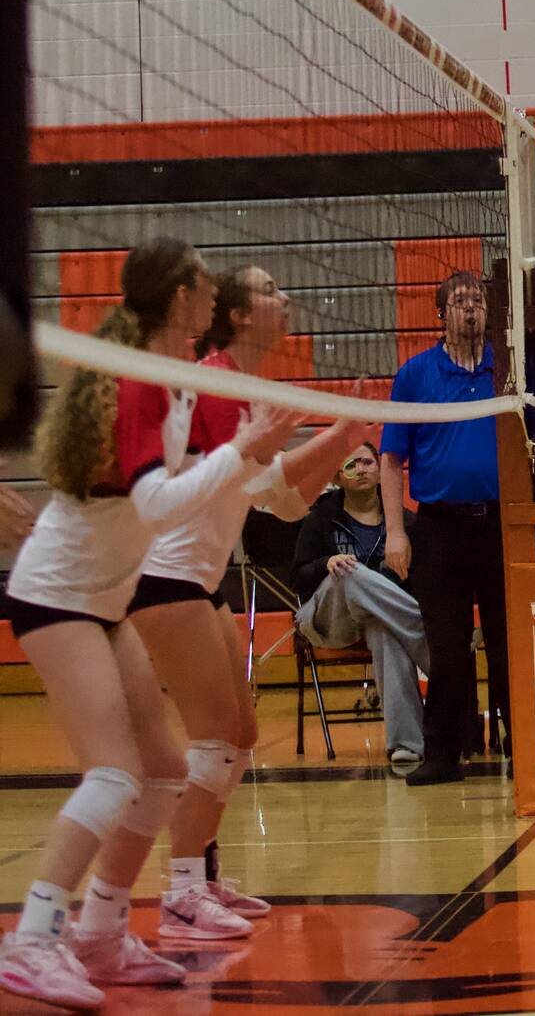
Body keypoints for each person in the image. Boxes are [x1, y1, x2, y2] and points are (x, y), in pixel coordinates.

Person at [0, 239, 301, 1007]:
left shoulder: (175, 386)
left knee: (165, 772)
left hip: (106, 596)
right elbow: (156, 506)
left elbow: (198, 498)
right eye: (205, 287)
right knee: (113, 772)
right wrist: (241, 449)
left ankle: (99, 934)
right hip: (57, 592)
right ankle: (32, 939)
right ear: (182, 300)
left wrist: (247, 457)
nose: (213, 298)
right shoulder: (139, 379)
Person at [107, 266, 368, 945]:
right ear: (240, 314)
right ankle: (182, 893)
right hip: (163, 575)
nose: (286, 298)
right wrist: (335, 435)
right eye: (271, 290)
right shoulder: (214, 382)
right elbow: (266, 483)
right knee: (216, 734)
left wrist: (341, 440)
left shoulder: (247, 389)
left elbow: (278, 502)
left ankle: (202, 874)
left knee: (242, 733)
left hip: (200, 577)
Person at [380, 270, 506, 787]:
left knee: (507, 642)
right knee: (447, 647)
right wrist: (395, 532)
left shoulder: (510, 368)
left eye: (478, 299)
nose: (471, 307)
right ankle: (442, 753)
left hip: (501, 524)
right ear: (442, 313)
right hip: (438, 530)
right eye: (460, 300)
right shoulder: (415, 374)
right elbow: (391, 460)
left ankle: (526, 746)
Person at [292, 442, 428, 765]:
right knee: (349, 572)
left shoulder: (403, 524)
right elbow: (297, 578)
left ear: (381, 471)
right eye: (351, 465)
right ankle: (431, 644)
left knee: (383, 628)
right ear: (338, 477)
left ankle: (406, 744)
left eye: (368, 462)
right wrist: (326, 562)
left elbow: (420, 581)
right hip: (327, 619)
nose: (361, 469)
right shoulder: (320, 519)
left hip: (377, 617)